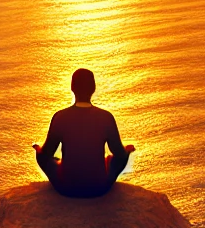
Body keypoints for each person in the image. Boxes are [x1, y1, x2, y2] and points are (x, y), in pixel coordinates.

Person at [33, 68, 135, 198]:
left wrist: (38, 150)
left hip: (67, 188)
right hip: (99, 187)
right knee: (116, 159)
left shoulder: (59, 117)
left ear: (72, 87)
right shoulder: (106, 117)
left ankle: (62, 165)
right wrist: (126, 151)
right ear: (93, 88)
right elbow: (118, 154)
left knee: (44, 158)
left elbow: (46, 154)